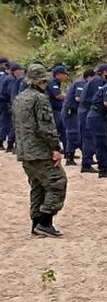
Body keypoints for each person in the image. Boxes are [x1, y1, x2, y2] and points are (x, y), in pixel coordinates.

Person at [11, 64, 68, 237]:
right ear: (44, 80)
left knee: (37, 186)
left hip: (24, 150)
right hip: (40, 150)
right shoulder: (40, 98)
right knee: (58, 182)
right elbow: (45, 127)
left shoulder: (20, 98)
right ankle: (44, 222)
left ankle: (36, 223)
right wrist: (55, 147)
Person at [79, 63, 107, 172]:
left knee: (93, 138)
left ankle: (100, 162)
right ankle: (86, 164)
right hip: (88, 110)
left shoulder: (97, 80)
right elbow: (97, 99)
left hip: (88, 110)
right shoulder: (97, 81)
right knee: (90, 138)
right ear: (104, 72)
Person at [62, 68, 94, 165]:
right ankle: (71, 156)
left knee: (76, 133)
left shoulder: (83, 83)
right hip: (70, 111)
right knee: (73, 133)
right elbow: (78, 98)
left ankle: (74, 156)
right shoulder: (81, 83)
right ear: (89, 77)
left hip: (75, 111)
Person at [1, 63, 25, 152]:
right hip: (6, 103)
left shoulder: (12, 78)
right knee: (8, 123)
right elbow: (11, 93)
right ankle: (8, 143)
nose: (21, 72)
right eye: (20, 70)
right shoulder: (11, 79)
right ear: (15, 71)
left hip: (7, 102)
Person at [47, 65, 68, 152]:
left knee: (63, 131)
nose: (66, 76)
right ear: (58, 75)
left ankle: (67, 151)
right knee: (55, 131)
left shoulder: (57, 84)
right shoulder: (53, 83)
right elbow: (58, 95)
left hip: (58, 110)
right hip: (54, 111)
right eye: (64, 74)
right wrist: (68, 96)